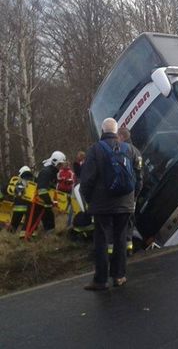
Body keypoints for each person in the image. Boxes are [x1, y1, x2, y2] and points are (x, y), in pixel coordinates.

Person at [80, 118, 143, 291]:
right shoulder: (130, 150)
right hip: (125, 204)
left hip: (101, 205)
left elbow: (87, 180)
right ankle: (119, 276)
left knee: (101, 240)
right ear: (116, 131)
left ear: (102, 130)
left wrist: (88, 199)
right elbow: (139, 178)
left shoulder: (94, 150)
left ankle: (100, 280)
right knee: (121, 238)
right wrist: (133, 198)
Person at [118, 126, 143, 255]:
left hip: (123, 194)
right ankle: (129, 248)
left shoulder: (122, 151)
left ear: (121, 136)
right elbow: (140, 176)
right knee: (129, 221)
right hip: (133, 193)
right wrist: (136, 195)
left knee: (121, 221)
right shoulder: (136, 152)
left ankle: (120, 249)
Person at [36, 151, 67, 233]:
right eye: (60, 164)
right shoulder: (46, 172)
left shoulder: (52, 172)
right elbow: (42, 190)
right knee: (42, 221)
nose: (61, 166)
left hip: (45, 202)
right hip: (40, 202)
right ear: (55, 162)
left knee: (49, 220)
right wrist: (49, 201)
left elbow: (51, 188)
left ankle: (49, 236)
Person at [9, 166, 36, 237]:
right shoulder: (34, 180)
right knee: (28, 222)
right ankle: (28, 235)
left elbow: (17, 192)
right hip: (30, 206)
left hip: (19, 206)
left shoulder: (19, 181)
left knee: (15, 223)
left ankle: (10, 234)